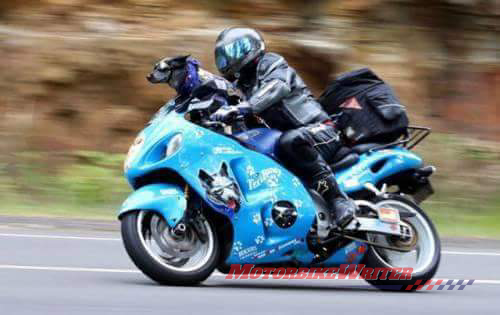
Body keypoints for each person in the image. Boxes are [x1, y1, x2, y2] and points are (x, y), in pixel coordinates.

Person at [211, 27, 356, 229]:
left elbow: (278, 86)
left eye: (229, 53)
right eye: (222, 57)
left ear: (246, 47)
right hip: (292, 141)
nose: (225, 60)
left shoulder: (271, 63)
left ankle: (338, 200)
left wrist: (243, 108)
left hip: (321, 130)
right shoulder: (244, 85)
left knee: (291, 141)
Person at [147, 55, 238, 121]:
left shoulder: (198, 80)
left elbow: (224, 92)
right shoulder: (186, 83)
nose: (155, 74)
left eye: (162, 70)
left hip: (229, 106)